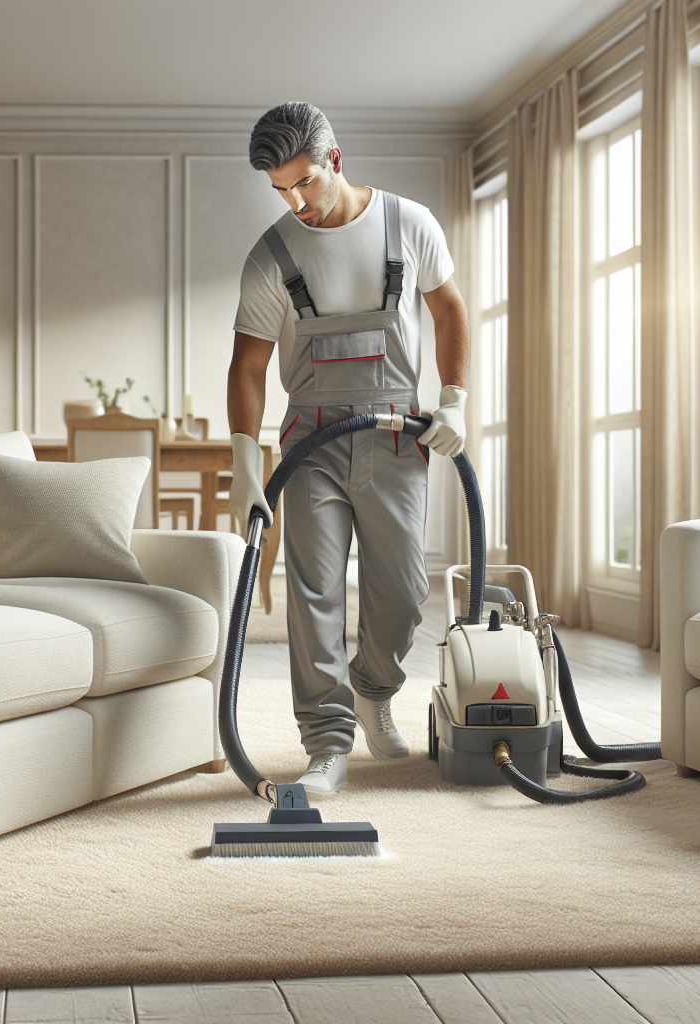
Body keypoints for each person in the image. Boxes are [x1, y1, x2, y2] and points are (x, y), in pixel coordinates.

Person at [227, 102, 469, 794]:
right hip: (312, 444)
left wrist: (453, 398)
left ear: (335, 160)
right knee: (315, 595)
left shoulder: (408, 224)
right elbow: (246, 367)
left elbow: (448, 310)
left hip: (397, 433)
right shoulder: (272, 254)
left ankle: (374, 689)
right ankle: (326, 743)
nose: (294, 201)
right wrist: (247, 467)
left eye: (303, 182)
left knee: (404, 590)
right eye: (279, 190)